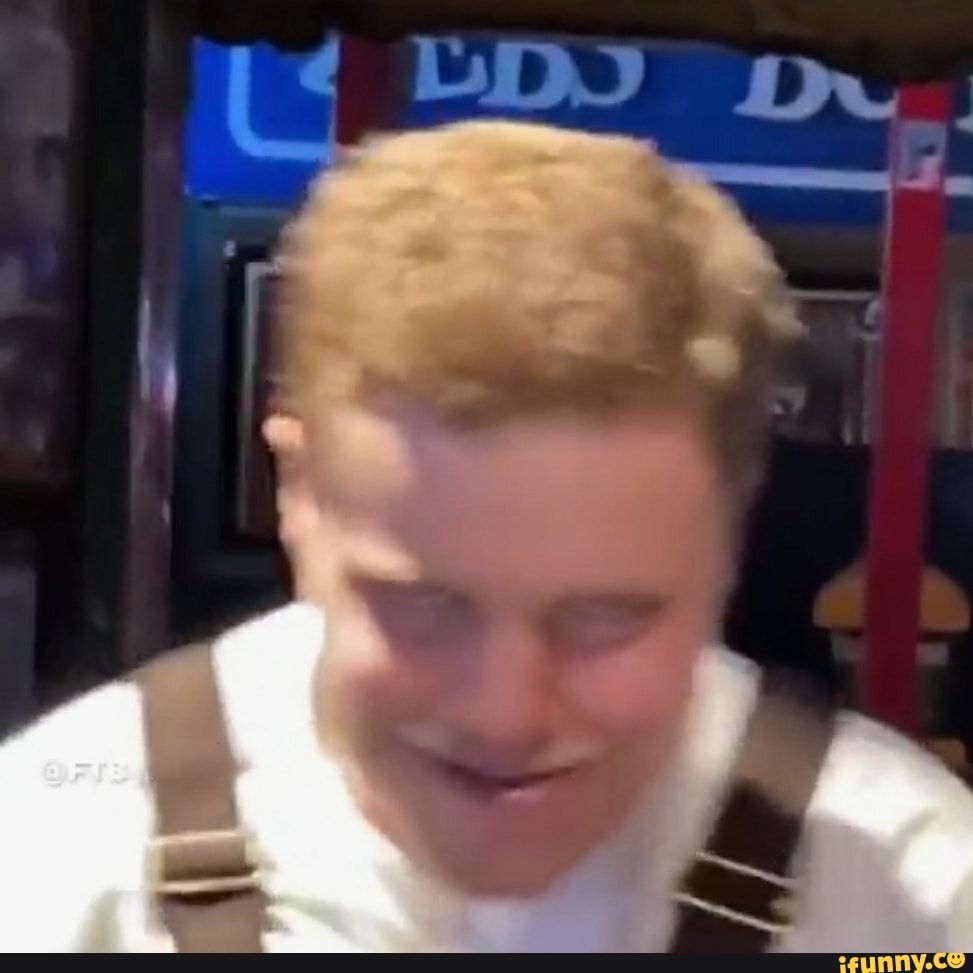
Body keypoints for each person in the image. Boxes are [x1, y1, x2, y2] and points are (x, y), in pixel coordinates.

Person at [1, 120, 972, 953]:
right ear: (296, 493)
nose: (504, 716)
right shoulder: (54, 854)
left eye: (605, 616)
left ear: (732, 526)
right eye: (422, 605)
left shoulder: (913, 901)